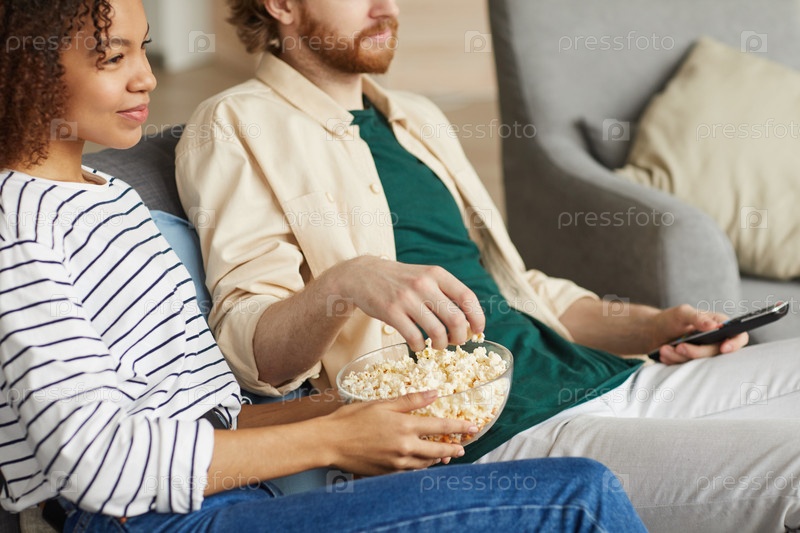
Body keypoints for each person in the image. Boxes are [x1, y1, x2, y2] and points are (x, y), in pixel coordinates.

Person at [0, 1, 651, 532]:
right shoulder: (17, 222)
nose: (146, 77)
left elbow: (211, 417)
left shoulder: (109, 198)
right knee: (581, 496)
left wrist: (357, 409)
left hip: (240, 497)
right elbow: (97, 465)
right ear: (21, 64)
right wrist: (335, 441)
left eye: (144, 49)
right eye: (113, 57)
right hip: (155, 520)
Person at [175, 0, 800, 531]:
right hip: (511, 440)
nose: (386, 7)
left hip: (615, 377)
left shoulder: (417, 117)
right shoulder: (235, 124)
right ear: (282, 5)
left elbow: (517, 288)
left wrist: (653, 325)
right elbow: (253, 356)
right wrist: (347, 281)